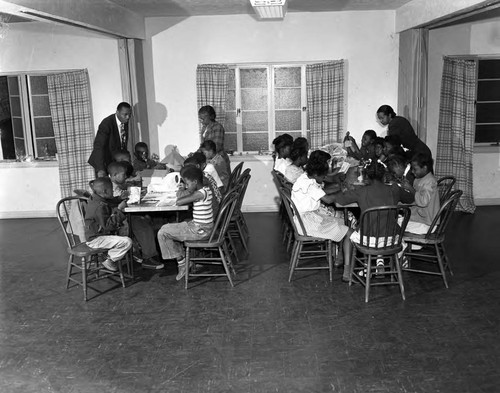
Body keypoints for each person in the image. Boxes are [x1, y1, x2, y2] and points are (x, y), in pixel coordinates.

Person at [331, 161, 414, 277]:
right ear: (384, 176)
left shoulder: (362, 191)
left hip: (368, 240)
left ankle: (348, 271)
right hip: (391, 240)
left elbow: (340, 200)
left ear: (366, 178)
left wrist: (347, 191)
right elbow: (410, 199)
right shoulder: (394, 189)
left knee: (348, 233)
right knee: (383, 224)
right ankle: (379, 264)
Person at [291, 150, 354, 281]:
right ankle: (347, 272)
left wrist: (338, 187)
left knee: (343, 222)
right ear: (316, 174)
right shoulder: (309, 185)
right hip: (308, 224)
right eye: (323, 176)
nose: (324, 178)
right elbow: (328, 200)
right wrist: (343, 191)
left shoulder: (305, 178)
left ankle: (339, 258)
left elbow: (321, 191)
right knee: (350, 231)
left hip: (305, 219)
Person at [157, 166, 214, 281]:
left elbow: (179, 201)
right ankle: (184, 259)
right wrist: (187, 189)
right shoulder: (206, 189)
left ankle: (182, 263)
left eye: (187, 183)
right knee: (165, 227)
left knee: (162, 233)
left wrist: (183, 190)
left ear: (195, 182)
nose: (187, 186)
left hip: (200, 231)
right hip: (199, 227)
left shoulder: (199, 194)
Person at [107, 161, 164, 270]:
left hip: (119, 216)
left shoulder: (113, 184)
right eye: (123, 175)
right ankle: (148, 257)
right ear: (114, 175)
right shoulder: (111, 188)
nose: (126, 177)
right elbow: (118, 203)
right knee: (142, 224)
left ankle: (142, 251)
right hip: (117, 220)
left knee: (146, 219)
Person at [83, 177, 133, 272]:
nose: (113, 191)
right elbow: (109, 225)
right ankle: (108, 258)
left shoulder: (96, 198)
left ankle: (111, 255)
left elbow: (109, 200)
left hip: (100, 235)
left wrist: (119, 198)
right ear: (105, 191)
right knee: (127, 241)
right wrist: (119, 210)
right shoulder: (99, 207)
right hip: (96, 239)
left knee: (124, 232)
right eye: (112, 189)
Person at [88, 102, 132, 177]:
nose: (128, 117)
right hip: (103, 160)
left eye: (129, 114)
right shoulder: (106, 124)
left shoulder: (124, 122)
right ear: (117, 112)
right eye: (125, 114)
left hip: (114, 161)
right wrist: (100, 169)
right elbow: (99, 146)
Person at [403, 153, 440, 235]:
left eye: (415, 169)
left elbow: (423, 202)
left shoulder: (430, 182)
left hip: (427, 223)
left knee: (395, 226)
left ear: (425, 168)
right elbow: (415, 199)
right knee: (396, 221)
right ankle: (410, 246)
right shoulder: (419, 179)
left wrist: (411, 189)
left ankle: (405, 246)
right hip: (420, 218)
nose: (412, 172)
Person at [198, 105, 231, 174]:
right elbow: (203, 146)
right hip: (210, 159)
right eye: (200, 118)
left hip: (218, 161)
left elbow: (216, 147)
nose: (201, 120)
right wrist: (196, 154)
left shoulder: (217, 127)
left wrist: (202, 156)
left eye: (203, 118)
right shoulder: (204, 128)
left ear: (210, 116)